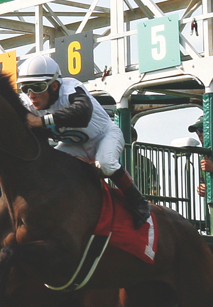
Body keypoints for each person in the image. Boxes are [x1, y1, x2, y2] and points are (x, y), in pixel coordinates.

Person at [16, 55, 151, 228]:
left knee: (106, 163)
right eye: (26, 88)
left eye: (38, 87)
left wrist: (42, 121)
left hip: (104, 135)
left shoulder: (70, 88)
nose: (31, 95)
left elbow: (82, 114)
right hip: (74, 145)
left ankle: (139, 202)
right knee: (48, 168)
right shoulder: (26, 103)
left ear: (55, 86)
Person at [130, 127, 158, 197]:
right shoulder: (112, 161)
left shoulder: (146, 163)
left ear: (133, 140)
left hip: (138, 204)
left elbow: (153, 186)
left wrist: (149, 201)